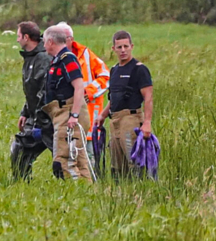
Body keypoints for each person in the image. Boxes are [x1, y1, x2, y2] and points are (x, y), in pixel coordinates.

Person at [95, 30, 154, 179]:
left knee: (133, 161)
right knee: (117, 164)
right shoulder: (114, 70)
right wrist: (102, 114)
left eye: (126, 46)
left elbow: (148, 97)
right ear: (113, 48)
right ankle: (120, 194)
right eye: (119, 47)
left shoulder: (139, 69)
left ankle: (141, 191)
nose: (123, 50)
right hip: (114, 120)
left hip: (131, 119)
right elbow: (114, 97)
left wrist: (147, 123)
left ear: (131, 46)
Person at [41, 26, 95, 182]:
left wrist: (74, 115)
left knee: (65, 158)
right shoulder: (58, 60)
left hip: (68, 114)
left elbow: (79, 87)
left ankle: (74, 191)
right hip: (61, 113)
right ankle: (87, 191)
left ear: (51, 41)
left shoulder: (67, 59)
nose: (44, 46)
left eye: (44, 42)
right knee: (79, 158)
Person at [57, 22, 109, 168]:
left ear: (71, 39)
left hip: (89, 117)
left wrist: (89, 91)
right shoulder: (53, 57)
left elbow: (105, 76)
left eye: (62, 38)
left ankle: (93, 188)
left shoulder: (85, 55)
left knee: (89, 157)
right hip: (64, 119)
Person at [11, 21, 53, 179]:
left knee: (61, 156)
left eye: (18, 36)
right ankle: (21, 184)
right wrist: (25, 113)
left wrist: (39, 122)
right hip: (35, 116)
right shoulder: (30, 58)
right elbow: (32, 92)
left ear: (26, 37)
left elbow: (44, 91)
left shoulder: (43, 59)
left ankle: (72, 184)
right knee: (19, 148)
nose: (17, 40)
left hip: (48, 119)